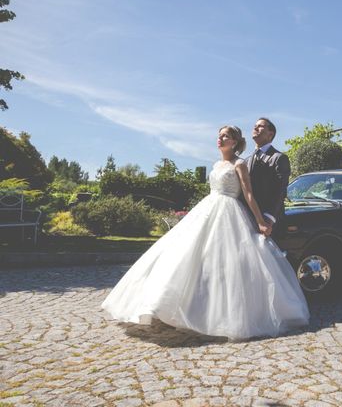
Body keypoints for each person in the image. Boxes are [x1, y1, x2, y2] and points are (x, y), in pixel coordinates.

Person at [101, 125, 309, 340]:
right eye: (219, 136)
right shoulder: (216, 164)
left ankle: (218, 315)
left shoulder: (240, 164)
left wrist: (260, 221)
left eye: (225, 136)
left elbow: (248, 194)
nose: (220, 139)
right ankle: (170, 306)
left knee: (225, 264)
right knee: (187, 258)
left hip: (230, 213)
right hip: (208, 209)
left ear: (235, 142)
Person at [245, 118, 291, 239]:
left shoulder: (279, 158)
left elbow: (280, 191)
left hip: (269, 224)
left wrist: (268, 220)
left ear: (270, 134)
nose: (255, 128)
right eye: (254, 125)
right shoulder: (246, 161)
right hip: (248, 219)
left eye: (260, 126)